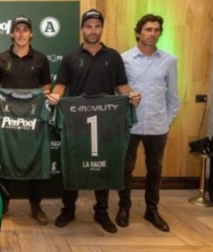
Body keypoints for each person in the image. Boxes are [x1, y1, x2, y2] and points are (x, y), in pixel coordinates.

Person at [47, 9, 141, 233]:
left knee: (103, 165)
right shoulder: (71, 57)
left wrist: (133, 97)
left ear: (101, 28)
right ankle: (68, 209)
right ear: (82, 29)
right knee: (72, 163)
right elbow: (60, 86)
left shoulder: (113, 56)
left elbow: (122, 88)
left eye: (96, 26)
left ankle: (101, 212)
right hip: (77, 122)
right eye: (88, 26)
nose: (92, 30)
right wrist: (54, 96)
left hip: (107, 122)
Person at [116, 14, 179, 232]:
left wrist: (166, 121)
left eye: (156, 30)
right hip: (130, 125)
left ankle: (152, 210)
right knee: (125, 169)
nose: (152, 34)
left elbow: (173, 97)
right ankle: (124, 207)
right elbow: (117, 92)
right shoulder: (123, 60)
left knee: (155, 170)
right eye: (148, 29)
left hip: (157, 127)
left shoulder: (169, 61)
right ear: (138, 32)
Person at [0, 15, 52, 225]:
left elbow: (46, 88)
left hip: (33, 118)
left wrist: (45, 97)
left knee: (34, 157)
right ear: (11, 34)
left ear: (31, 33)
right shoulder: (0, 59)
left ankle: (36, 206)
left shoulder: (41, 59)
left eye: (25, 29)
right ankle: (3, 205)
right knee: (6, 155)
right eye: (17, 30)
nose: (21, 34)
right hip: (7, 117)